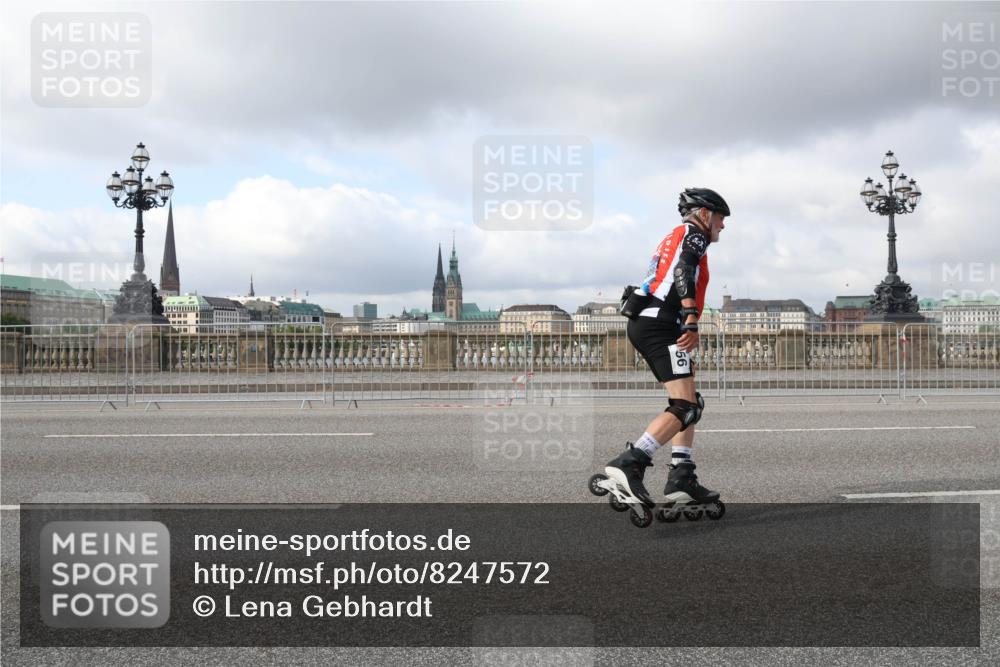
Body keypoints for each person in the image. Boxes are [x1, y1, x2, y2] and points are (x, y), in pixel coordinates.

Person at [605, 187, 730, 510]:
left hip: (653, 322)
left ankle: (682, 475)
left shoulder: (674, 235)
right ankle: (631, 461)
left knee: (690, 403)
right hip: (661, 326)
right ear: (704, 214)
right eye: (720, 217)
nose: (722, 226)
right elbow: (682, 271)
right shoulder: (694, 235)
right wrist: (690, 316)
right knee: (684, 406)